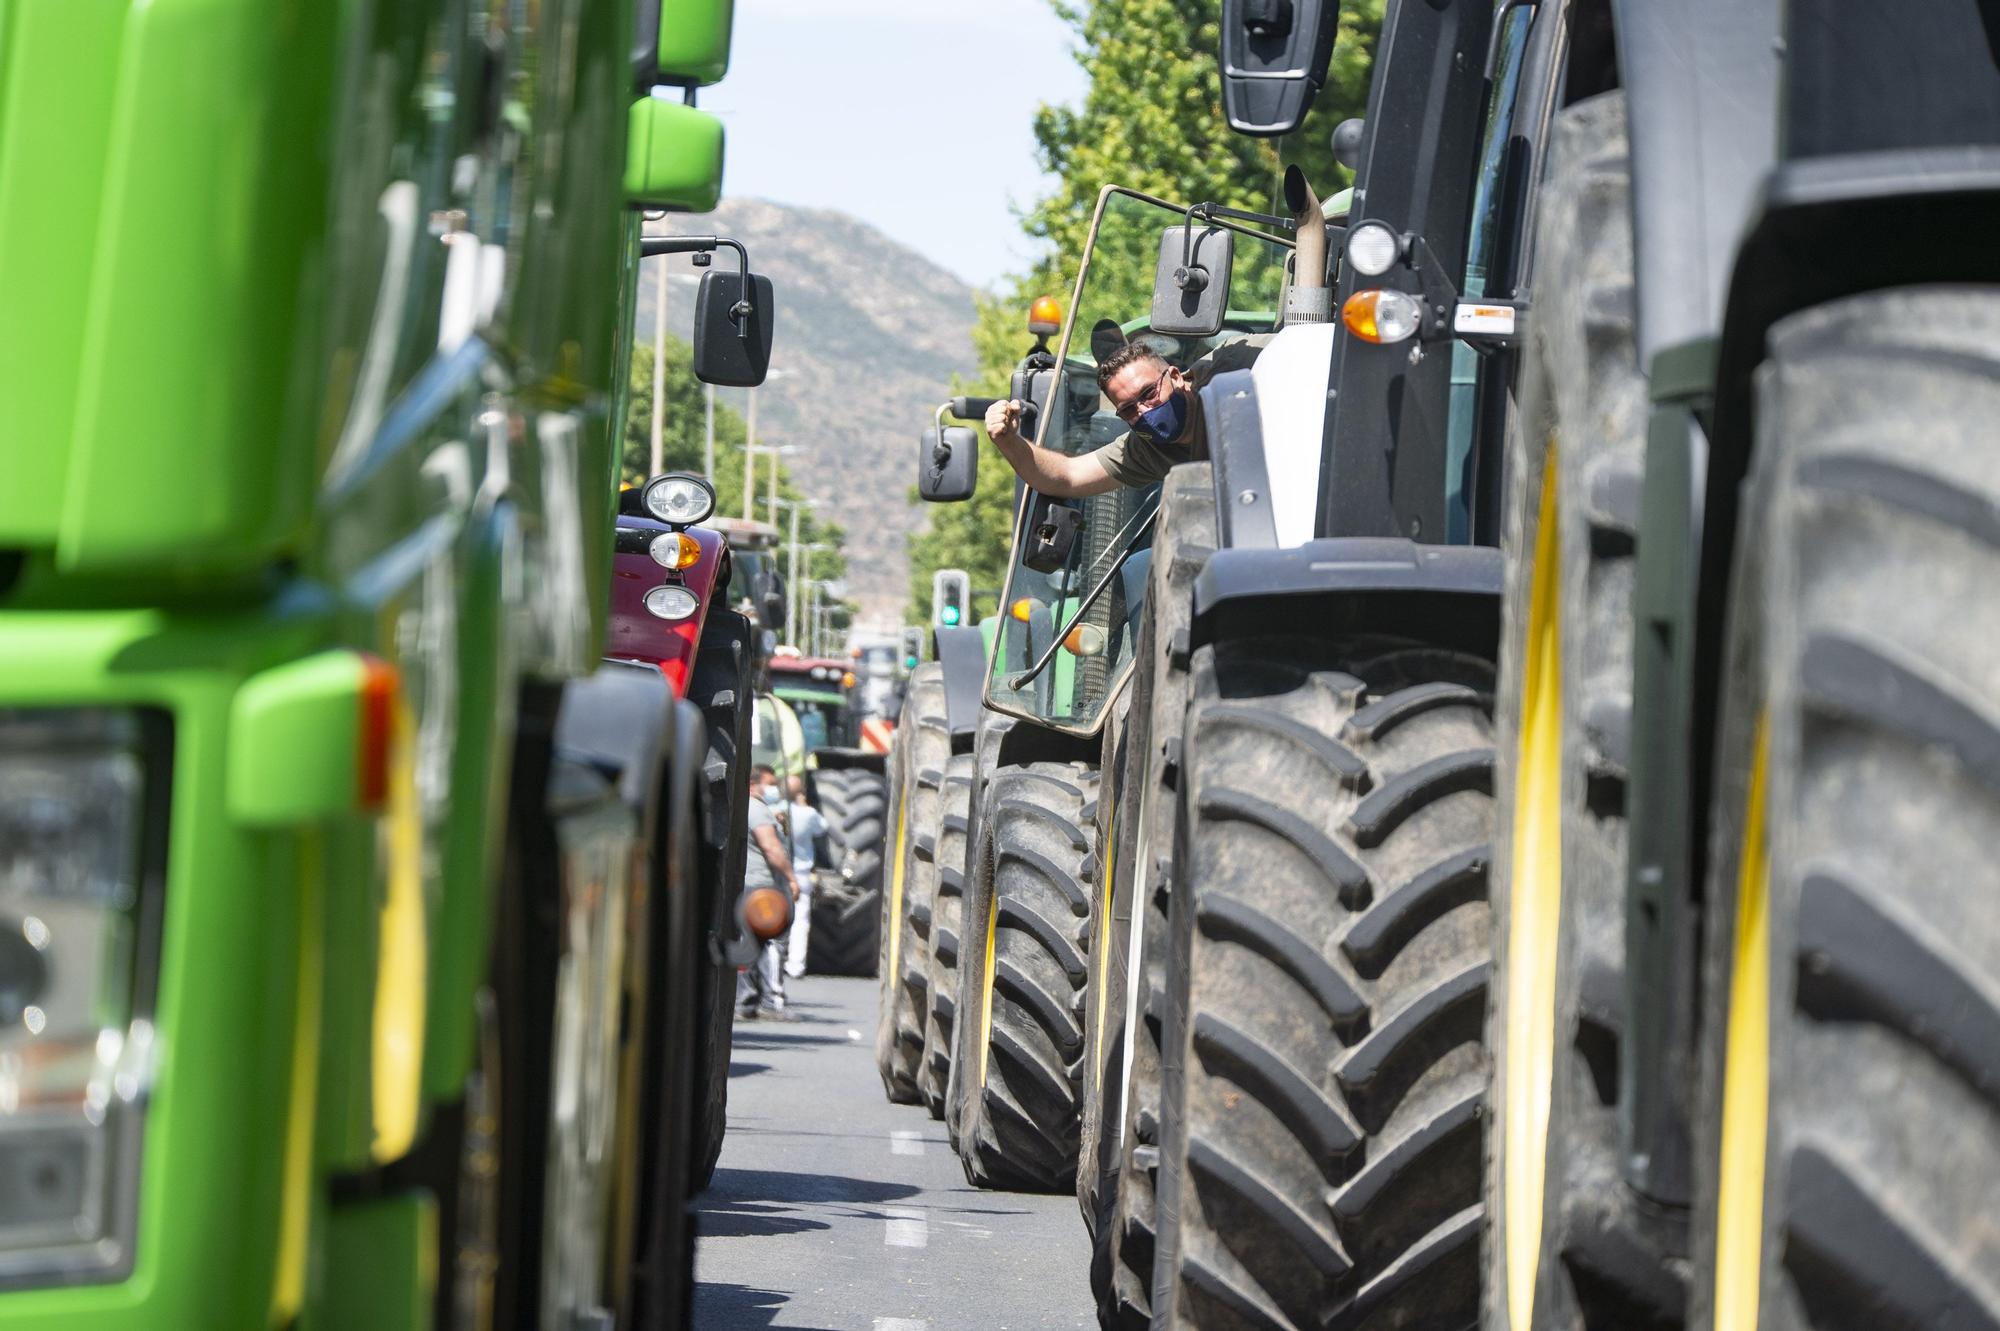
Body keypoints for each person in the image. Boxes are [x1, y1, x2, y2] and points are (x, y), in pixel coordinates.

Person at [981, 338, 1266, 497]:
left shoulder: (1238, 365)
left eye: (1148, 393)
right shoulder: (1146, 450)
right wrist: (1009, 441)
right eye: (1129, 409)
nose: (1144, 411)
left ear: (1176, 377)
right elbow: (1067, 477)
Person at [736, 765, 803, 1021]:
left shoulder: (747, 808)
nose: (774, 788)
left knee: (750, 944)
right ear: (755, 784)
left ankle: (746, 1001)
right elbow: (772, 849)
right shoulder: (757, 809)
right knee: (774, 942)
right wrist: (791, 879)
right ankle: (772, 1001)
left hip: (747, 886)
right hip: (764, 886)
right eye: (770, 783)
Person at [782, 774, 828, 978]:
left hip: (779, 870)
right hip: (800, 873)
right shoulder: (808, 814)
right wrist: (804, 803)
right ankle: (796, 964)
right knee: (800, 920)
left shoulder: (778, 811)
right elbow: (823, 827)